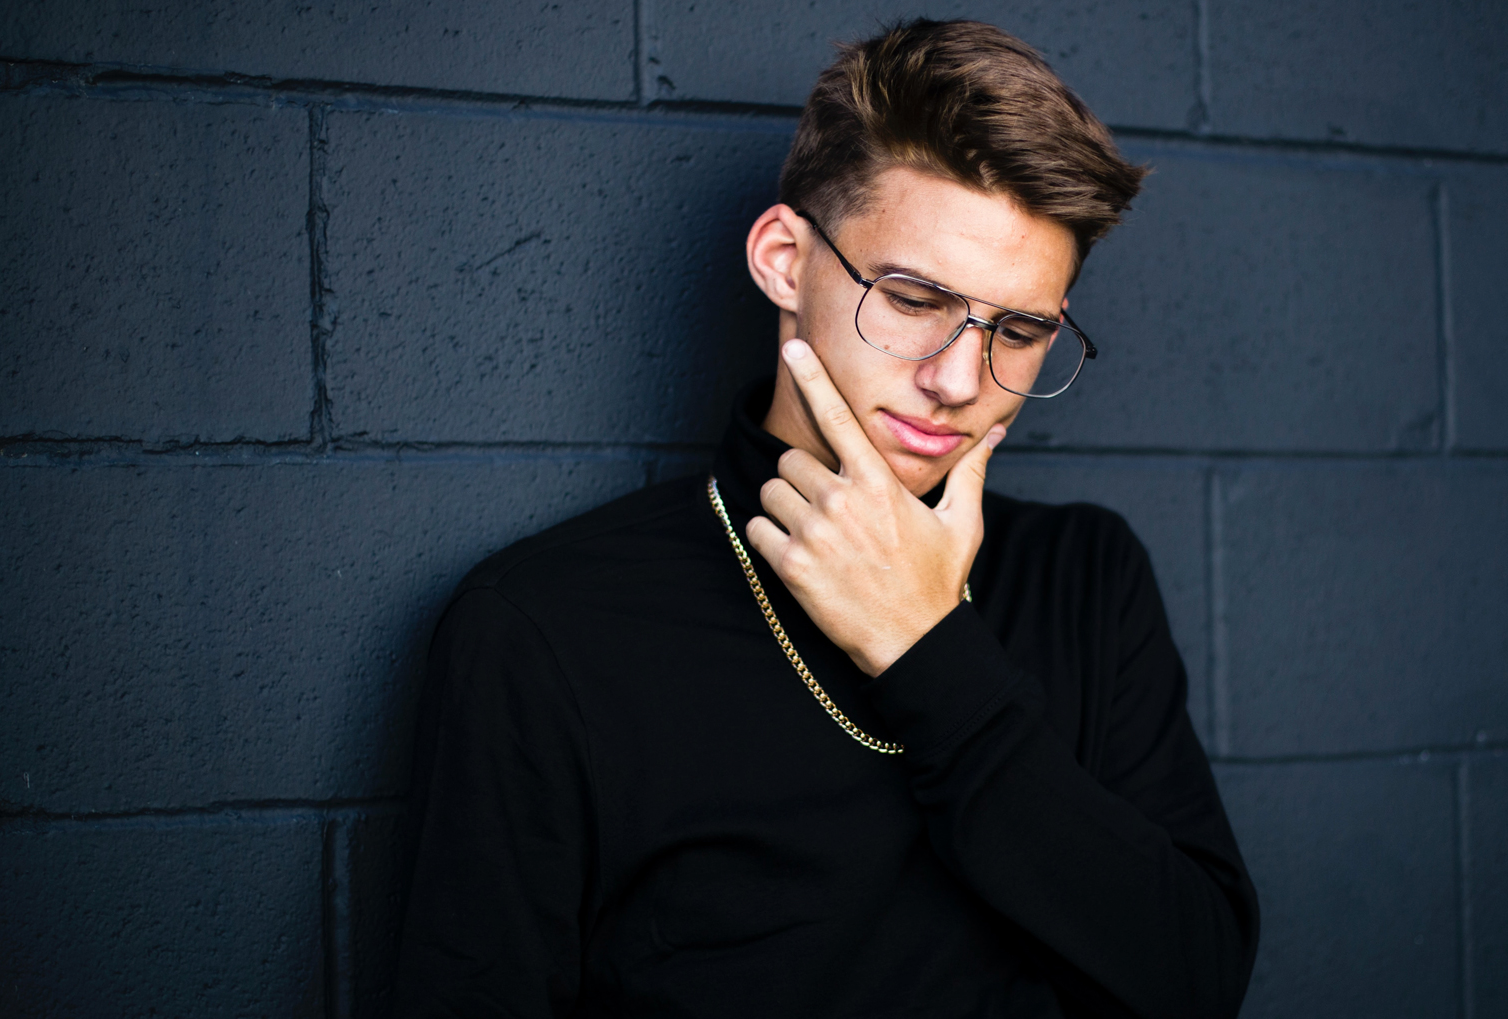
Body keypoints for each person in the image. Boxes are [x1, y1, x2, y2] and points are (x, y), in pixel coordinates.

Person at [392, 18, 1258, 1018]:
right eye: (911, 297)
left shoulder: (1085, 577)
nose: (957, 380)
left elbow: (1197, 978)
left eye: (1017, 331)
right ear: (782, 259)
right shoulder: (546, 630)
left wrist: (934, 652)